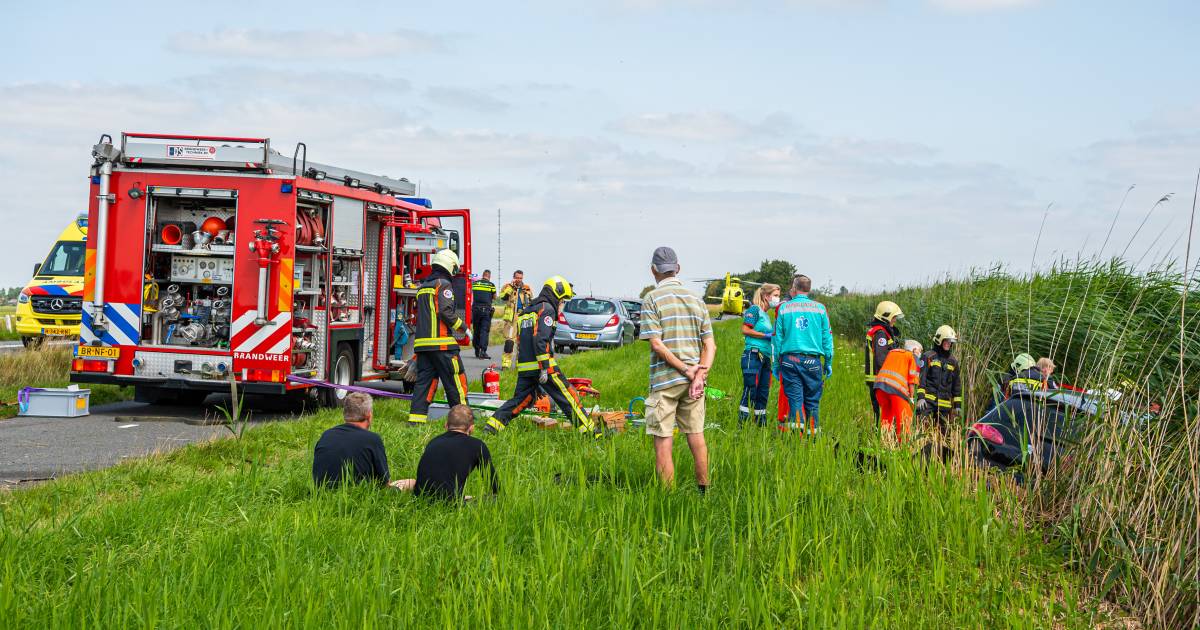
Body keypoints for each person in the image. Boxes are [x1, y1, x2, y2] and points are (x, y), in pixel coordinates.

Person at [483, 276, 600, 437]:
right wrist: (544, 368)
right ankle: (592, 433)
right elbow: (540, 340)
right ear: (556, 293)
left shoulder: (527, 311)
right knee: (568, 397)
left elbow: (521, 341)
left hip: (526, 368)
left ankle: (492, 426)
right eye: (562, 300)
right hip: (543, 366)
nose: (562, 304)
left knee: (521, 401)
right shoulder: (547, 309)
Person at [640, 246, 715, 490]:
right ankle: (704, 490)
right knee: (696, 436)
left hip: (666, 382)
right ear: (678, 268)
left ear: (653, 270)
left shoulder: (652, 299)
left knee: (663, 441)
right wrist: (699, 375)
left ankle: (668, 499)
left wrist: (686, 370)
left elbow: (656, 344)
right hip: (694, 383)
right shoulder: (696, 299)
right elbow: (710, 345)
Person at [407, 249, 471, 426]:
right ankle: (464, 423)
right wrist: (464, 328)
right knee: (456, 383)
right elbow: (445, 311)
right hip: (443, 346)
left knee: (424, 386)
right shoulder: (443, 284)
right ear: (450, 266)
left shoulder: (423, 287)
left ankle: (415, 422)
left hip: (423, 348)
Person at [772, 274, 834, 435]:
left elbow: (777, 339)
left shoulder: (785, 308)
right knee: (813, 402)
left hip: (789, 361)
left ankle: (796, 441)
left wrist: (775, 365)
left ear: (794, 287)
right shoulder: (820, 309)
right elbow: (827, 337)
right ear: (809, 289)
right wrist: (828, 361)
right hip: (813, 362)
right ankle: (813, 438)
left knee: (795, 402)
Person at [312, 392, 407, 489]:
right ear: (369, 415)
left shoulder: (327, 435)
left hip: (322, 493)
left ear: (345, 413)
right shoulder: (372, 439)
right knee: (411, 483)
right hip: (358, 494)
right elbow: (384, 483)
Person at [413, 404, 500, 501]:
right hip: (451, 503)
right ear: (472, 428)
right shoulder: (477, 445)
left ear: (446, 425)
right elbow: (493, 483)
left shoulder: (433, 441)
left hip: (421, 499)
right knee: (496, 499)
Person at [739, 283, 780, 426]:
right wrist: (764, 335)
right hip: (753, 355)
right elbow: (745, 329)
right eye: (775, 295)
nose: (777, 299)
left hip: (766, 357)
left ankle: (760, 425)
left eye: (778, 296)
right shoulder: (754, 310)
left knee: (763, 393)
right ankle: (742, 424)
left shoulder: (767, 316)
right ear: (766, 296)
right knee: (751, 389)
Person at [917, 325, 963, 436]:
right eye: (946, 341)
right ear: (939, 340)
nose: (948, 344)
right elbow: (921, 378)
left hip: (944, 404)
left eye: (950, 342)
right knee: (921, 429)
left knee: (944, 434)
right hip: (927, 402)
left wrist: (957, 405)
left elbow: (956, 385)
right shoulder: (928, 356)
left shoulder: (953, 362)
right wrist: (921, 398)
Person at [874, 340, 923, 444]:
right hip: (897, 389)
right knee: (905, 419)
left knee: (886, 417)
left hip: (880, 388)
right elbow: (912, 380)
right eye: (920, 351)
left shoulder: (892, 352)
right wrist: (911, 398)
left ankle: (884, 444)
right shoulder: (911, 356)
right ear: (914, 350)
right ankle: (904, 448)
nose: (920, 353)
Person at [864, 300, 903, 421]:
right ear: (886, 317)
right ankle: (880, 436)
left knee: (880, 412)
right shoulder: (881, 333)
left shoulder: (879, 330)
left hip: (877, 378)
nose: (895, 320)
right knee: (882, 412)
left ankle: (881, 435)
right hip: (878, 378)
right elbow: (881, 359)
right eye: (894, 317)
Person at [497, 270, 534, 370]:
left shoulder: (526, 288)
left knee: (522, 342)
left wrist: (526, 293)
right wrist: (511, 288)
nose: (519, 280)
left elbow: (531, 301)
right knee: (509, 341)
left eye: (520, 278)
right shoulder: (507, 286)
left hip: (523, 316)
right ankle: (506, 364)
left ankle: (520, 364)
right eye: (517, 277)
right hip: (511, 318)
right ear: (514, 277)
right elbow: (502, 297)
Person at [471, 269, 497, 359]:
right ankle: (483, 351)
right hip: (486, 310)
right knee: (484, 331)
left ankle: (476, 350)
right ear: (489, 276)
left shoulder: (475, 284)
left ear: (483, 275)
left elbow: (471, 292)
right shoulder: (491, 285)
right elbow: (494, 297)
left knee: (476, 330)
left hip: (475, 310)